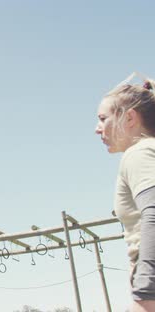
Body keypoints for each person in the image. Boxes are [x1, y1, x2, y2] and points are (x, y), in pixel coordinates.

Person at [95, 72, 155, 312]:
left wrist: (145, 289)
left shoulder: (139, 153)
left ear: (129, 117)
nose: (97, 129)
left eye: (103, 118)